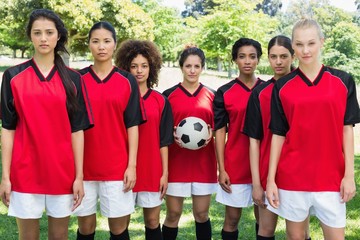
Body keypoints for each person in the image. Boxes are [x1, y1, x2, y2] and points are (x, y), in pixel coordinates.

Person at [0, 8, 93, 240]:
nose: (43, 38)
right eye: (37, 32)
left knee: (59, 237)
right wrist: (5, 177)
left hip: (62, 172)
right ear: (30, 36)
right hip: (24, 170)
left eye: (49, 32)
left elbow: (77, 130)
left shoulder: (73, 79)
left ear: (58, 36)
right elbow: (8, 129)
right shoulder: (13, 76)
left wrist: (79, 176)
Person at [266, 19, 360, 240]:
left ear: (321, 42)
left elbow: (347, 130)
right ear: (293, 47)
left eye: (311, 43)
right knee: (296, 237)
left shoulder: (343, 81)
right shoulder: (282, 86)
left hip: (332, 177)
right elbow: (278, 135)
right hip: (292, 177)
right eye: (299, 44)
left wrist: (349, 175)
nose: (305, 50)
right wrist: (271, 179)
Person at [75, 22, 145, 240]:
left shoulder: (127, 81)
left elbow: (132, 125)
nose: (101, 47)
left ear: (115, 44)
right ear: (89, 45)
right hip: (82, 168)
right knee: (85, 227)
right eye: (95, 41)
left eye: (106, 41)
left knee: (118, 229)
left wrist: (131, 166)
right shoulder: (77, 80)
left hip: (117, 168)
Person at [244, 35, 311, 240]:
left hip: (299, 171)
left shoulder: (306, 89)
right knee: (265, 230)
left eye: (283, 56)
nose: (278, 62)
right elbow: (254, 140)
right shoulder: (260, 93)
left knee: (300, 233)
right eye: (273, 57)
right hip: (267, 172)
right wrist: (257, 183)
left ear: (293, 56)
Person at [115, 39, 174, 239]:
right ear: (125, 68)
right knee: (121, 224)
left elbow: (164, 140)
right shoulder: (119, 98)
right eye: (134, 66)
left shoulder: (161, 101)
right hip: (124, 171)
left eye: (144, 66)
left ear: (152, 68)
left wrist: (165, 173)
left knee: (152, 222)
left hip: (152, 170)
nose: (139, 71)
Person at [162, 46, 216, 240]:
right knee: (173, 214)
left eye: (197, 66)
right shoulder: (168, 95)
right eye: (188, 66)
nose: (192, 70)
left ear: (202, 68)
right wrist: (171, 135)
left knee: (201, 214)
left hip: (203, 162)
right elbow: (161, 130)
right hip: (177, 162)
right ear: (181, 67)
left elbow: (220, 128)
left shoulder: (212, 96)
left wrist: (212, 135)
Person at [213, 37, 263, 240]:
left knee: (264, 222)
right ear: (235, 60)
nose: (248, 61)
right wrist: (222, 168)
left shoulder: (268, 89)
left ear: (259, 59)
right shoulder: (224, 92)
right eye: (242, 57)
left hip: (263, 164)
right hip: (235, 164)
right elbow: (219, 131)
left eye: (252, 56)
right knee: (232, 220)